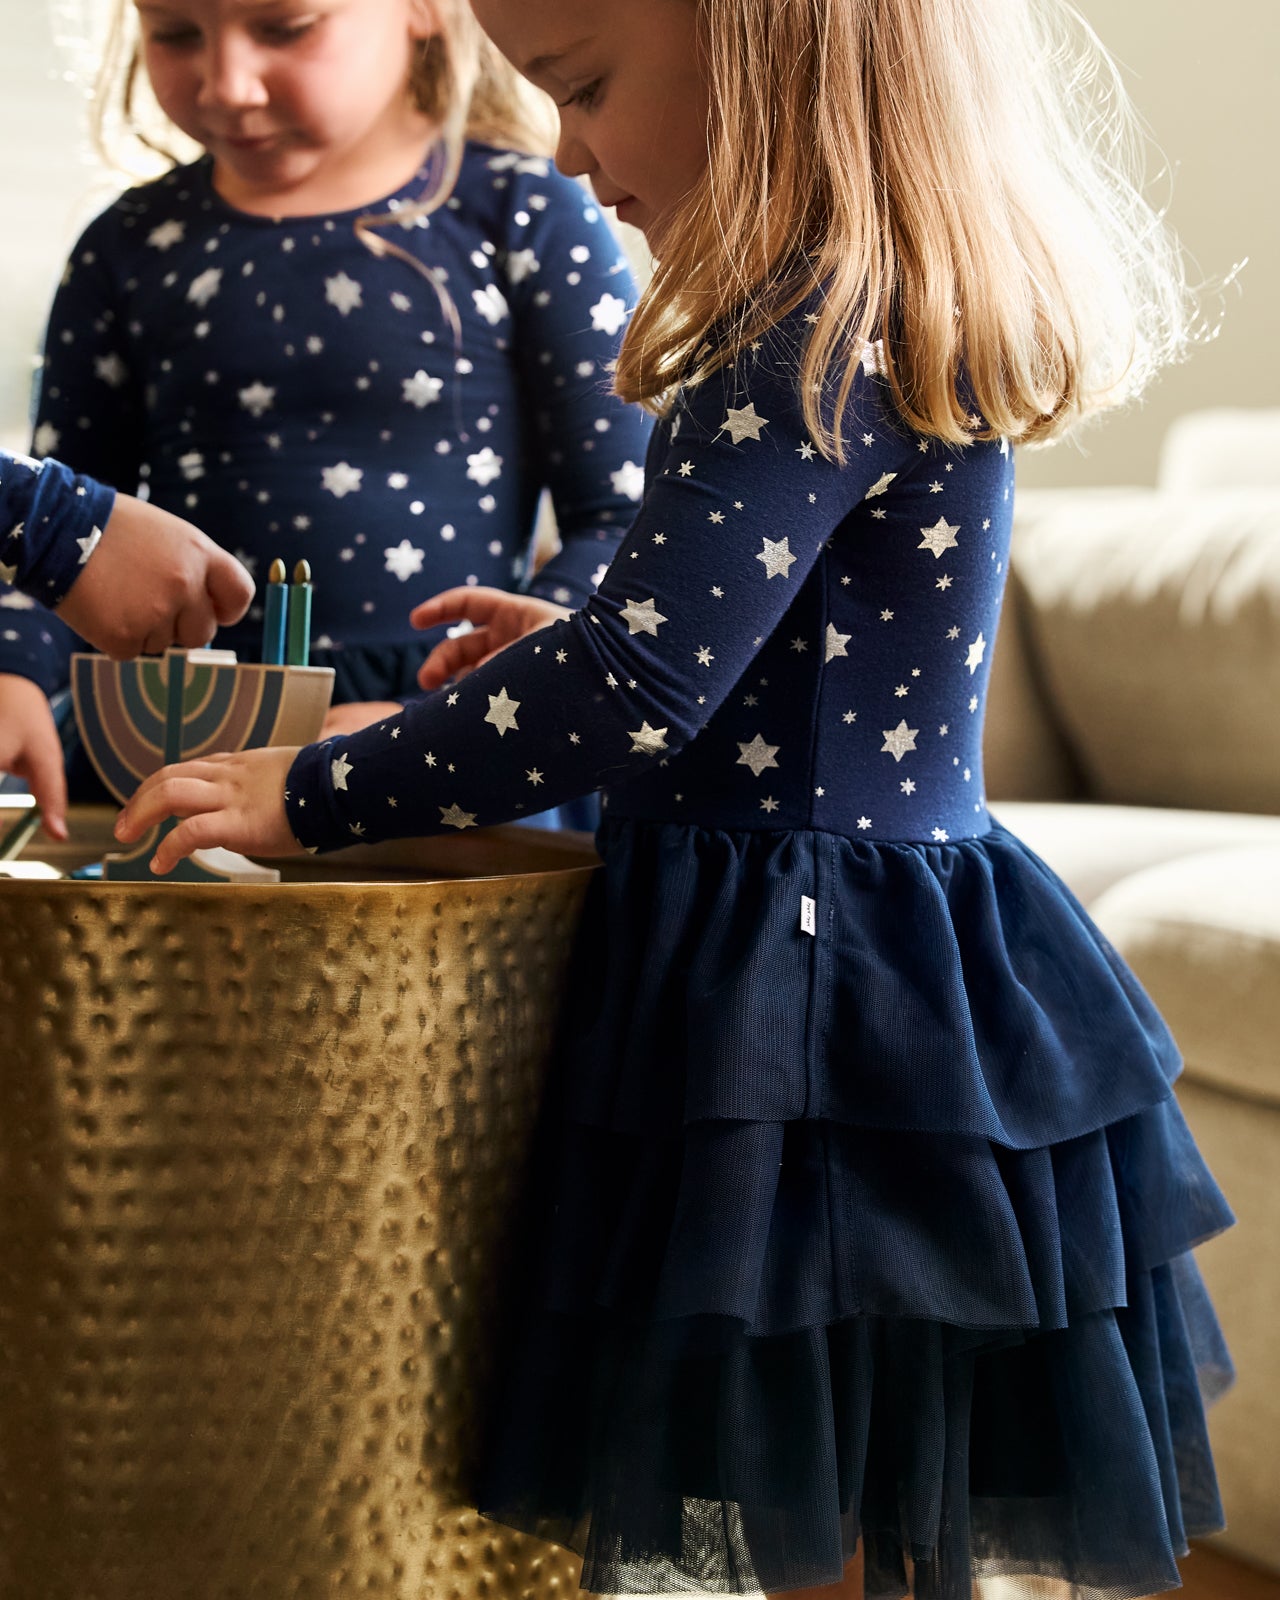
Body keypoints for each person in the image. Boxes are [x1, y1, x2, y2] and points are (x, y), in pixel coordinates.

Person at [116, 0, 1235, 1594]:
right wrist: (574, 637)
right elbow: (741, 652)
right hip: (851, 935)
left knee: (807, 1450)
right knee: (840, 1450)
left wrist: (315, 788)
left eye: (580, 90)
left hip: (808, 983)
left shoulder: (812, 338)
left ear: (764, 54)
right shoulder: (863, 314)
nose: (568, 152)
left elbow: (641, 692)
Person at [1, 0, 651, 827]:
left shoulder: (528, 211)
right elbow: (69, 528)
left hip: (444, 750)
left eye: (285, 28)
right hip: (174, 746)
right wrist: (15, 672)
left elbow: (622, 516)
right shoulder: (124, 247)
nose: (227, 85)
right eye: (173, 33)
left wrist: (451, 718)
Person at [0, 448, 252, 836]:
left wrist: (381, 733)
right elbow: (79, 465)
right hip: (127, 698)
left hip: (339, 722)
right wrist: (17, 664)